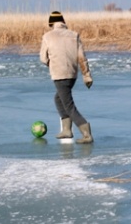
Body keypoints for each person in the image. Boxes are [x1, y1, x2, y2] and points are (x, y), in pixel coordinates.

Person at [40, 11, 94, 144]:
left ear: (51, 23)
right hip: (72, 74)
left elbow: (43, 58)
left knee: (68, 105)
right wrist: (86, 76)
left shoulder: (47, 36)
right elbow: (81, 57)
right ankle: (66, 129)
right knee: (59, 99)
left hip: (59, 74)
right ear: (63, 22)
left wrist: (51, 64)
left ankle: (86, 133)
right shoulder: (74, 35)